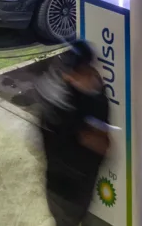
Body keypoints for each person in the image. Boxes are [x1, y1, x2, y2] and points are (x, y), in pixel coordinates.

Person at [37, 40, 112, 226]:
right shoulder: (66, 107)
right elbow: (98, 143)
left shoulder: (91, 95)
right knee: (67, 218)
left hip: (70, 182)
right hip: (67, 187)